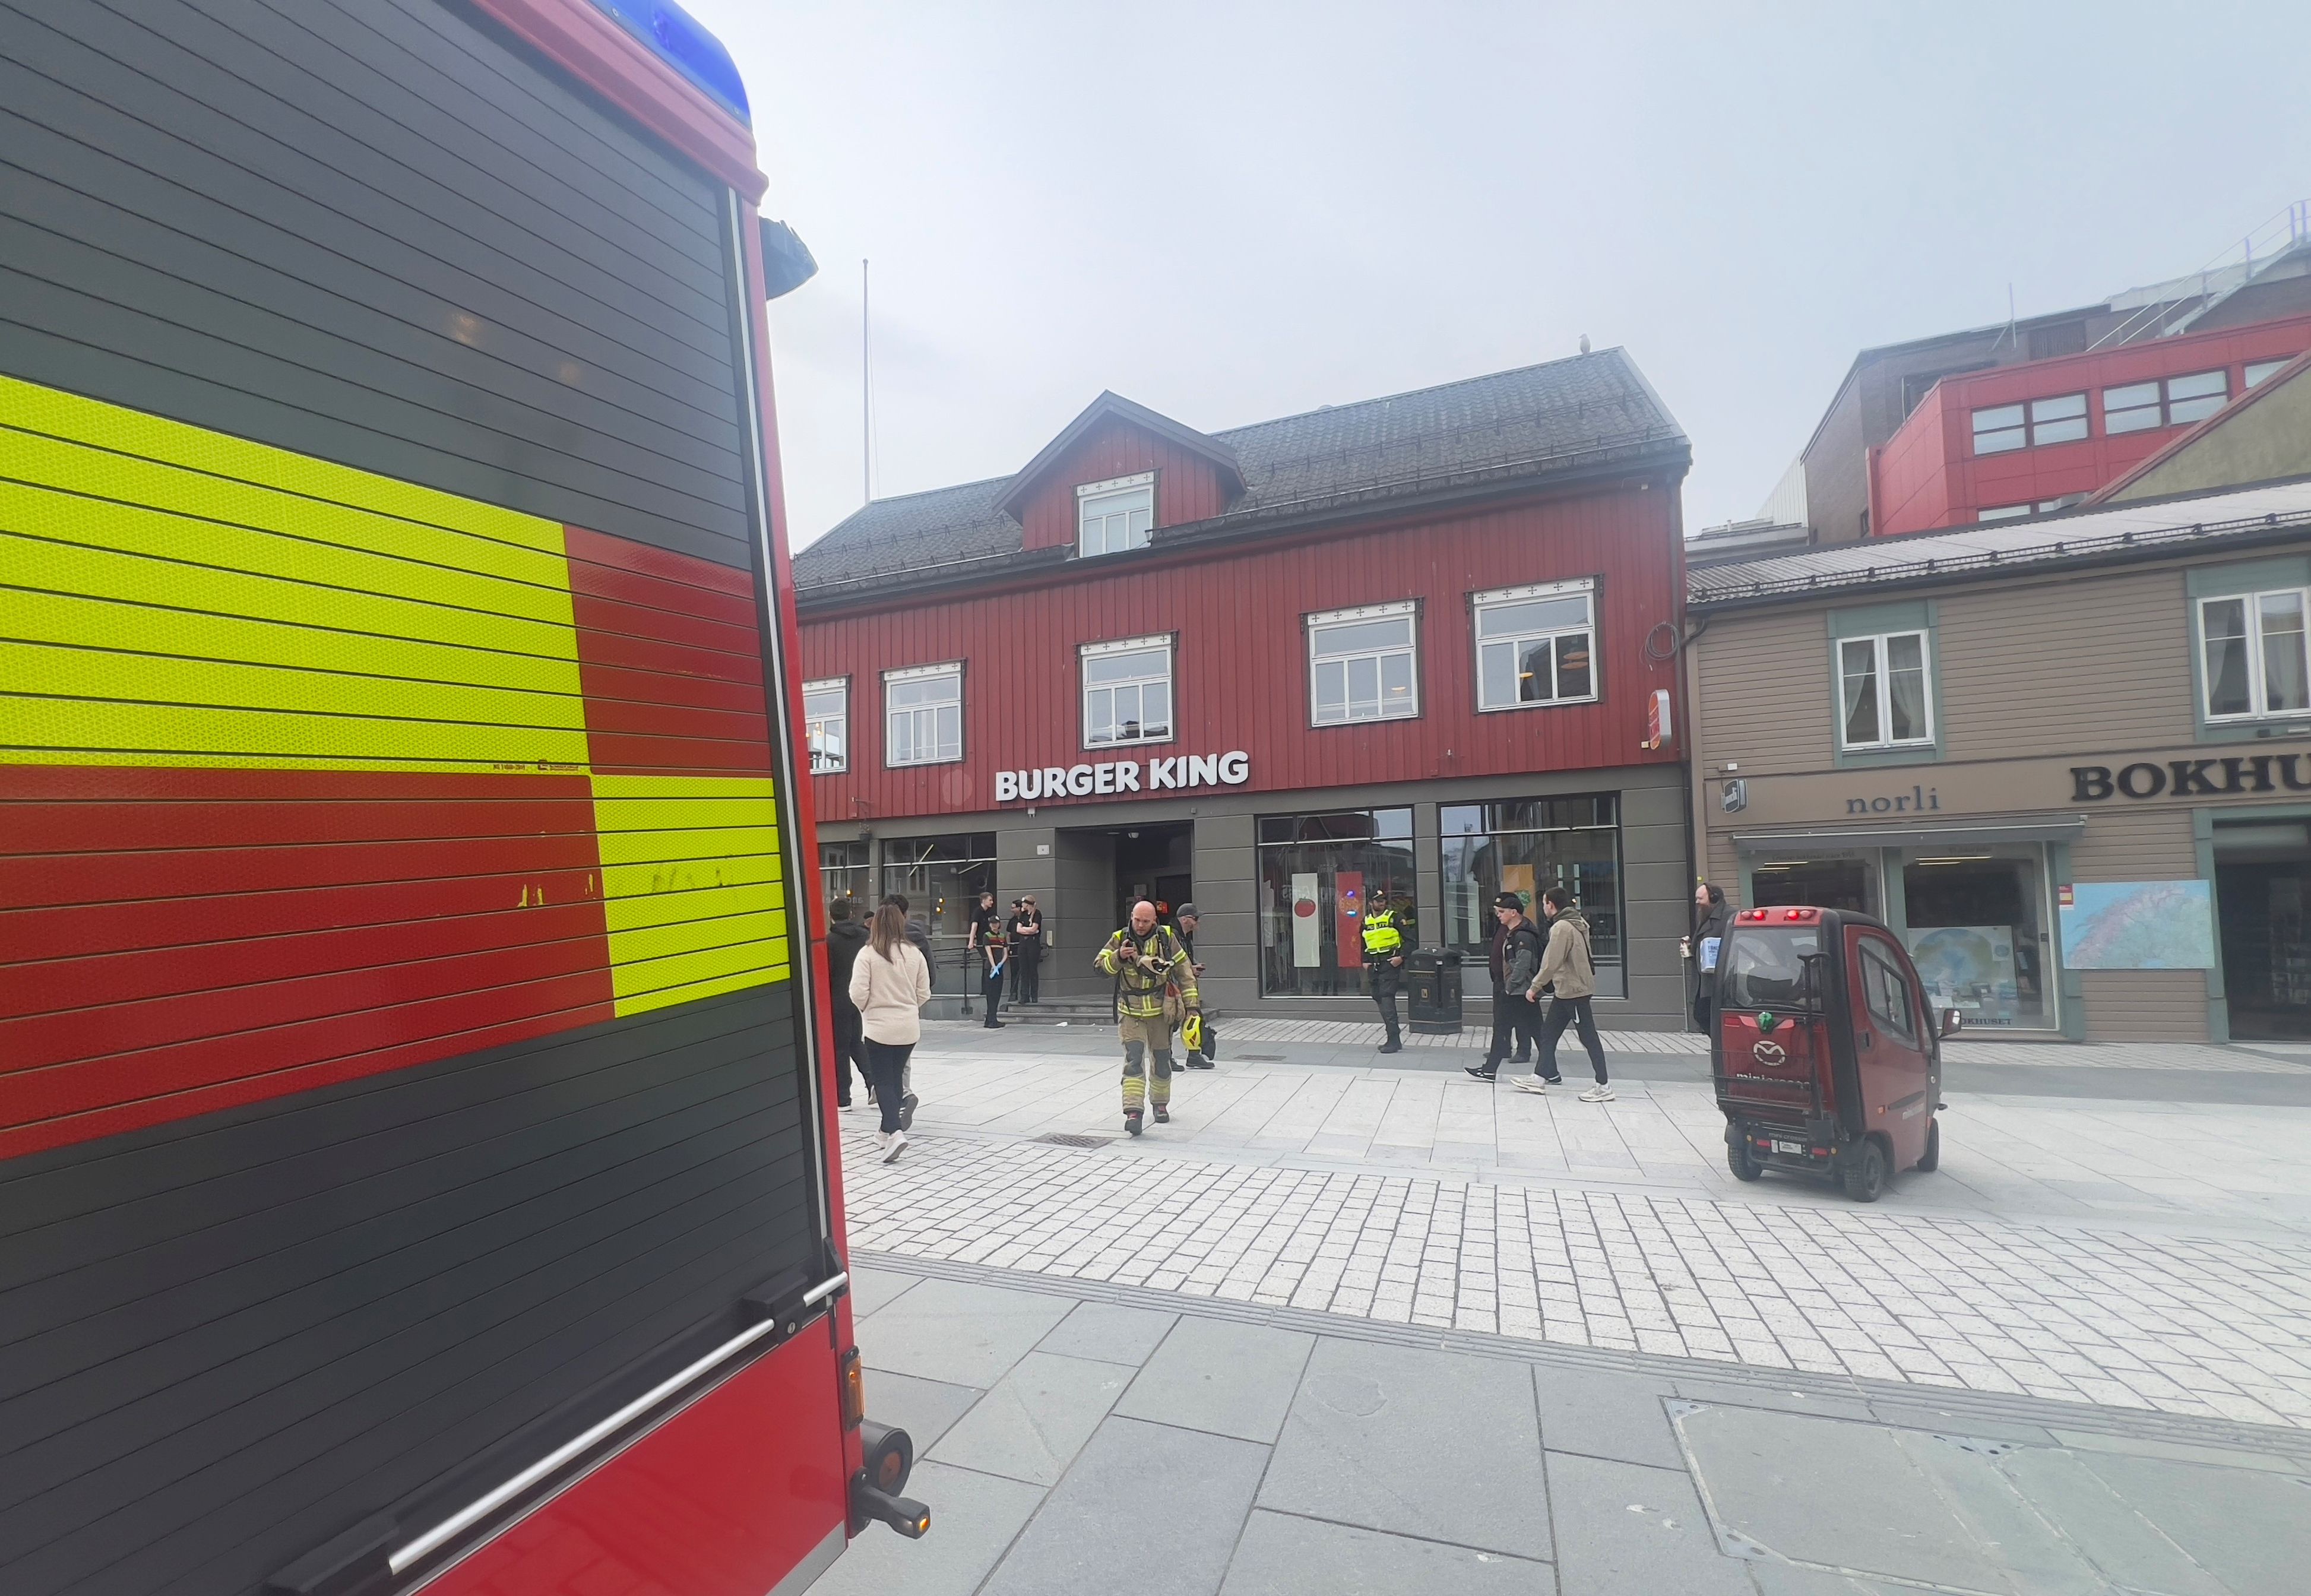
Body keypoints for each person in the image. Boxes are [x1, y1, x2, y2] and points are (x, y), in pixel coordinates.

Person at [1094, 900, 1199, 1135]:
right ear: (1131, 917)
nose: (1140, 925)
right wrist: (1118, 957)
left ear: (1155, 921)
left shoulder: (1167, 938)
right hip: (1130, 1012)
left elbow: (1184, 972)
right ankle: (1133, 1112)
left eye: (1145, 921)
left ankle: (1160, 1104)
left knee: (1162, 1061)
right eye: (1137, 920)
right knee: (1133, 1060)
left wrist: (1192, 1007)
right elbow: (1099, 968)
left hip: (1161, 1013)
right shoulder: (1119, 938)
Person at [849, 902, 931, 1161]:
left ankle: (895, 1132)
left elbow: (857, 992)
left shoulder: (868, 954)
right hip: (908, 1027)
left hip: (879, 1026)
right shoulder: (915, 954)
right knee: (895, 1078)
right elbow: (924, 992)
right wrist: (909, 1007)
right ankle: (885, 1131)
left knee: (882, 1080)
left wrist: (868, 1009)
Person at [1526, 887, 1612, 1101]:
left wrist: (1535, 987)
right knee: (1548, 1034)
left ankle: (1603, 1085)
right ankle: (1538, 1078)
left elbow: (1551, 962)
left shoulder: (1562, 927)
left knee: (1588, 1037)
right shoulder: (1577, 922)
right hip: (1568, 990)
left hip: (1574, 991)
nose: (1543, 908)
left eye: (1544, 904)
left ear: (1551, 905)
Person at [1465, 892, 1543, 1083]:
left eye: (1502, 912)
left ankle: (1490, 1069)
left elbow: (1522, 964)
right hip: (1521, 990)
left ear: (1513, 912)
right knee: (1536, 1030)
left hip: (1518, 991)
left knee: (1503, 1027)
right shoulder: (1514, 932)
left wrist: (1510, 987)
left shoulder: (1522, 935)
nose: (1498, 915)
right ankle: (1551, 1070)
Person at [875, 894, 931, 1129]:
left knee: (883, 1066)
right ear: (905, 914)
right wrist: (911, 1003)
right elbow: (928, 982)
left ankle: (897, 1109)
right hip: (908, 1011)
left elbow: (858, 989)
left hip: (879, 1014)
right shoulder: (917, 942)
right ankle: (900, 1101)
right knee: (902, 1059)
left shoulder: (874, 945)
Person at [824, 898, 869, 1109]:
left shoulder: (829, 941)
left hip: (838, 999)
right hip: (861, 998)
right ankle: (874, 1083)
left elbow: (827, 973)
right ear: (851, 914)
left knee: (840, 1048)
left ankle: (843, 1098)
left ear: (831, 916)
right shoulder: (865, 937)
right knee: (856, 1043)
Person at [1684, 882, 1733, 1036]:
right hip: (1703, 980)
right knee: (1701, 1015)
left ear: (1714, 898)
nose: (1697, 902)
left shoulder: (1729, 917)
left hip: (1717, 982)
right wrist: (1691, 950)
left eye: (1701, 898)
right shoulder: (1706, 916)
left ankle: (1722, 1045)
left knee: (1706, 1016)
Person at [1362, 889, 1405, 1054]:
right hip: (1374, 965)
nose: (1382, 903)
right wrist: (1365, 961)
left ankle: (1394, 1039)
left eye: (1383, 900)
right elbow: (1364, 942)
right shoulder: (1365, 921)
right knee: (1378, 996)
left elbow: (1410, 939)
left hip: (1389, 963)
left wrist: (1401, 957)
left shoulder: (1395, 918)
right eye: (1378, 900)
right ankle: (1393, 1039)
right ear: (1370, 903)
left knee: (1387, 998)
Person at [1174, 902, 1214, 1068]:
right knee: (1171, 1023)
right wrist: (1191, 968)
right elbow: (1173, 963)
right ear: (1184, 920)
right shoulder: (1172, 937)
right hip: (1174, 987)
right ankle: (1166, 1057)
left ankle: (1194, 1055)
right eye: (1195, 918)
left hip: (1186, 985)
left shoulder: (1185, 938)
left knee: (1193, 1018)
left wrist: (1193, 967)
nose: (1198, 922)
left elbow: (1185, 961)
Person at [1007, 896, 1044, 1005]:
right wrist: (1030, 930)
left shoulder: (1037, 914)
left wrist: (1029, 930)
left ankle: (1034, 995)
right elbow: (1019, 929)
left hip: (1033, 944)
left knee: (1033, 970)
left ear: (1027, 904)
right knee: (1024, 970)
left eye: (1023, 903)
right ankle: (1024, 995)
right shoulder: (1023, 914)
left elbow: (1034, 929)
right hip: (1023, 944)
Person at [978, 898, 1008, 1028]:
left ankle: (993, 1018)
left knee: (997, 994)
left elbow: (1005, 952)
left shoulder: (1002, 936)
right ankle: (990, 1020)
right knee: (990, 994)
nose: (994, 925)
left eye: (996, 923)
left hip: (999, 968)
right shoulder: (987, 936)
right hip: (990, 968)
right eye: (992, 923)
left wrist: (1001, 964)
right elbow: (989, 952)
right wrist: (994, 966)